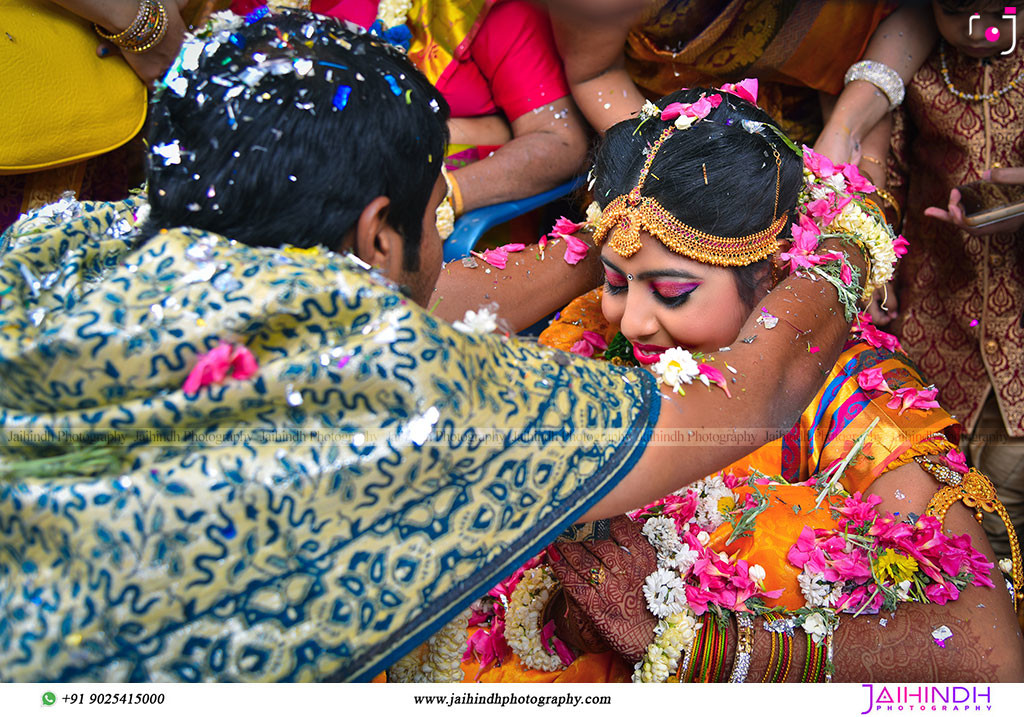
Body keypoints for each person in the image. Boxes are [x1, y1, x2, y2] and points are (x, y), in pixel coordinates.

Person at [0, 10, 876, 682]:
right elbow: (762, 387)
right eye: (439, 212)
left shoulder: (52, 247)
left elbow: (465, 293)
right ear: (380, 236)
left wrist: (620, 247)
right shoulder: (409, 384)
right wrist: (850, 235)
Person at [454, 88, 1023, 683]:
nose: (633, 321)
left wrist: (699, 643)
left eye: (672, 292)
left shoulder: (849, 398)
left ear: (774, 272)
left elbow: (989, 660)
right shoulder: (600, 338)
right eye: (616, 281)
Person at [884, 0, 1024, 563]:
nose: (979, 30)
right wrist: (880, 269)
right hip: (936, 323)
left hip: (1017, 341)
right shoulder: (915, 72)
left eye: (999, 10)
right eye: (956, 11)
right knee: (946, 524)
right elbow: (886, 176)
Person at [546, 0, 935, 164]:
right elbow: (596, 73)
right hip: (667, 136)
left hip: (840, 114)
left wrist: (846, 129)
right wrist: (662, 160)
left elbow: (909, 14)